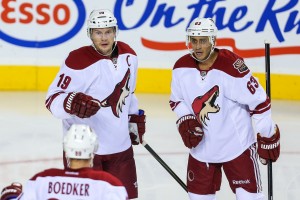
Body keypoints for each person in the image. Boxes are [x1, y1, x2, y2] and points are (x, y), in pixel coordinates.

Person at [169, 17, 280, 200]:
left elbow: (259, 103)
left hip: (237, 148)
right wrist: (185, 118)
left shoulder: (232, 67)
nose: (197, 46)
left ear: (213, 40)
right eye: (194, 40)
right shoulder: (181, 67)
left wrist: (267, 133)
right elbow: (176, 101)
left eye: (203, 41)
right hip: (201, 151)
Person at [44, 9, 145, 199]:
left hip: (120, 146)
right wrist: (70, 102)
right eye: (98, 32)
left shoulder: (130, 56)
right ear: (90, 34)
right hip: (83, 149)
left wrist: (133, 118)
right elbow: (52, 99)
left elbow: (129, 92)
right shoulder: (77, 60)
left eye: (108, 32)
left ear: (115, 32)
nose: (104, 37)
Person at [0, 124, 128, 200]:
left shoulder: (42, 179)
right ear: (93, 150)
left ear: (66, 149)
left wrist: (11, 197)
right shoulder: (110, 184)